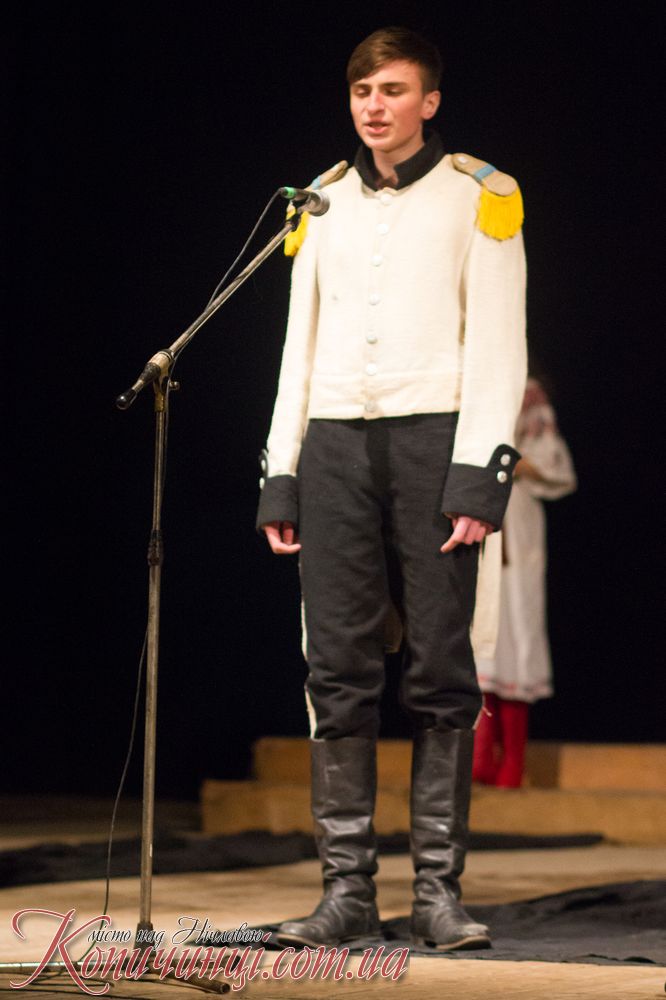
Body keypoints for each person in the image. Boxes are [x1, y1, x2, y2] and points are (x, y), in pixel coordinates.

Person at [256, 26, 527, 951]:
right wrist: (282, 472)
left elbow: (499, 343)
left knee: (441, 671)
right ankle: (346, 893)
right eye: (363, 91)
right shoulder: (322, 201)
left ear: (429, 101)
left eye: (394, 90)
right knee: (336, 669)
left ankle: (438, 894)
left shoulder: (480, 196)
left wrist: (478, 477)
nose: (375, 107)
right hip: (333, 445)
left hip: (434, 443)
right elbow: (296, 348)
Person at [473, 376, 577, 788]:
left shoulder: (527, 392)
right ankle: (481, 754)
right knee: (478, 639)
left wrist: (511, 463)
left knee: (516, 635)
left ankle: (512, 760)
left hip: (516, 526)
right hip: (476, 519)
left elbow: (553, 467)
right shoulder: (472, 380)